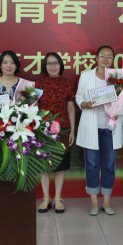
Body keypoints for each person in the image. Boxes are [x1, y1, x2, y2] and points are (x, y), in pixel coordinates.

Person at [75, 46, 123, 215]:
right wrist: (85, 104)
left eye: (109, 56)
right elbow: (78, 96)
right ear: (96, 58)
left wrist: (118, 111)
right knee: (92, 165)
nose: (105, 59)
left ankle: (107, 201)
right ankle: (94, 201)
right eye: (102, 55)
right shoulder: (86, 76)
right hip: (91, 127)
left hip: (110, 127)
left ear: (113, 59)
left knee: (109, 165)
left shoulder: (118, 77)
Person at [36, 52, 76, 214]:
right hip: (43, 130)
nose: (52, 66)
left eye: (56, 63)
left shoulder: (67, 84)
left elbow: (71, 108)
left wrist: (72, 130)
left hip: (63, 129)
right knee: (43, 165)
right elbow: (35, 108)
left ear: (61, 65)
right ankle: (46, 198)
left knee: (61, 165)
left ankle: (58, 198)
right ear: (45, 66)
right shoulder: (38, 84)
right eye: (49, 63)